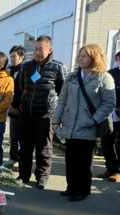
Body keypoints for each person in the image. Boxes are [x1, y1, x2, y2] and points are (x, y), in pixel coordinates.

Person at [53, 44, 115, 201]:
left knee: (84, 160)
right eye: (80, 56)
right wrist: (56, 121)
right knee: (71, 159)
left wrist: (93, 120)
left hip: (87, 126)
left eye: (84, 56)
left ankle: (82, 190)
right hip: (70, 125)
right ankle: (71, 187)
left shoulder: (104, 77)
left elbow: (109, 103)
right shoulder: (72, 76)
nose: (80, 59)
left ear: (94, 58)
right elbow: (62, 100)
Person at [18, 35, 66, 189]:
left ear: (50, 50)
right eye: (36, 49)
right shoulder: (26, 66)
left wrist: (58, 115)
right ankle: (23, 175)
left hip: (46, 115)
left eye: (41, 49)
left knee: (44, 149)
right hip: (27, 114)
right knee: (25, 148)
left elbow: (62, 93)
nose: (37, 52)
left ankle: (42, 177)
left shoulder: (58, 67)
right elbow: (20, 87)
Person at [97, 51, 120, 182]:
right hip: (110, 114)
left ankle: (118, 172)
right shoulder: (111, 73)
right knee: (106, 143)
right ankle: (110, 169)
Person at [3, 45, 26, 167]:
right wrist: (10, 106)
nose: (12, 59)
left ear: (22, 57)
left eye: (14, 56)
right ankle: (13, 158)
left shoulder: (27, 69)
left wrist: (19, 107)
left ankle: (22, 161)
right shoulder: (8, 71)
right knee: (13, 136)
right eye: (10, 56)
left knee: (23, 138)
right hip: (11, 107)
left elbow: (27, 91)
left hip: (23, 110)